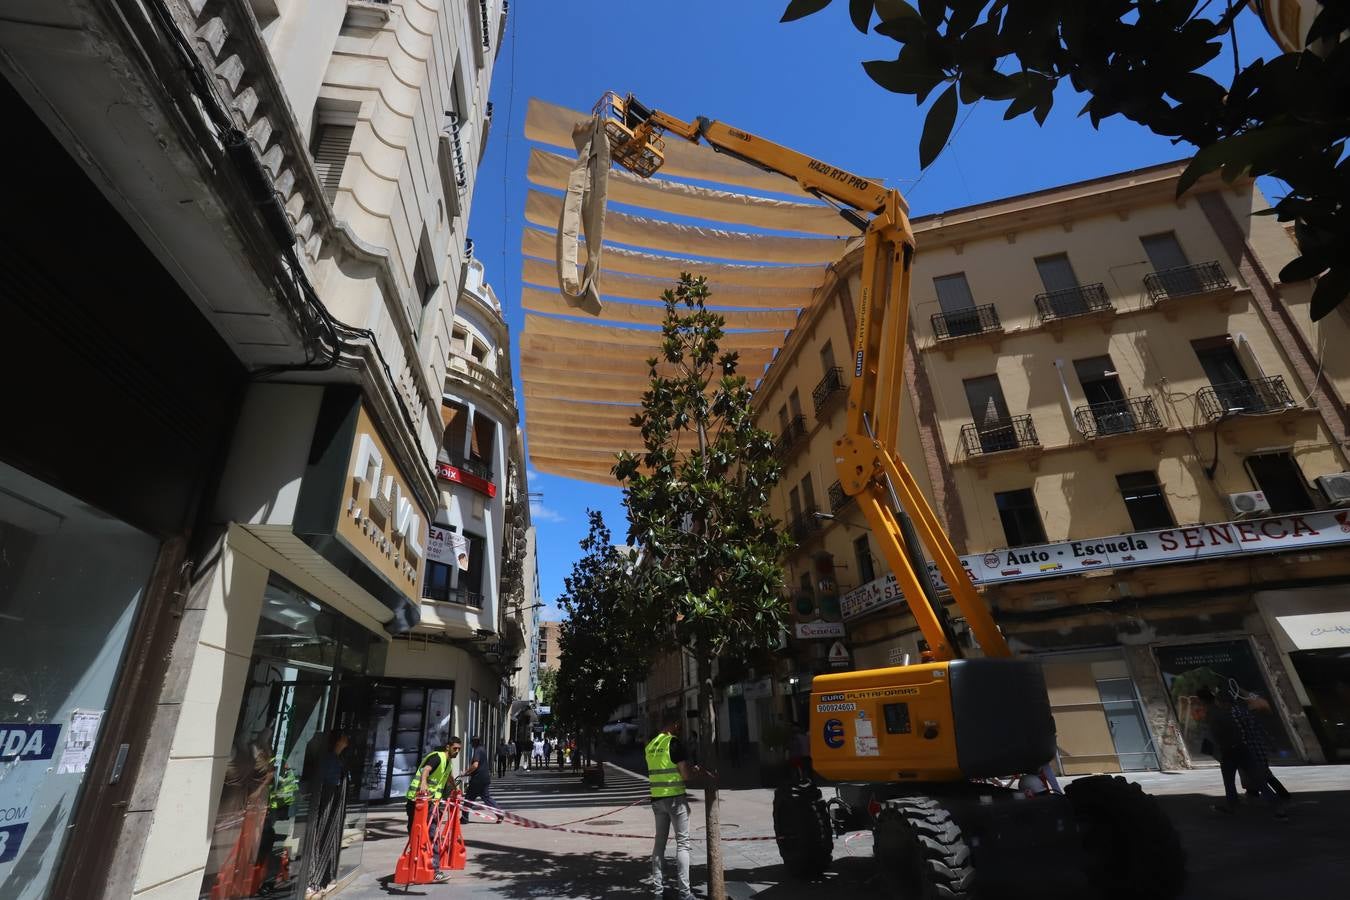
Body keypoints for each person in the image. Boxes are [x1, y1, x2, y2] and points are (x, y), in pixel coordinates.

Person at [646, 713, 714, 900]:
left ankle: (657, 892)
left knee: (659, 845)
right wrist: (696, 771)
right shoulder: (674, 743)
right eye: (679, 725)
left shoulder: (650, 746)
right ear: (674, 724)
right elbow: (685, 775)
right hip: (675, 799)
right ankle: (685, 894)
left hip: (656, 800)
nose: (680, 728)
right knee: (683, 844)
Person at [406, 735, 462, 884]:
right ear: (448, 747)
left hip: (429, 804)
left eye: (459, 749)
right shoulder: (437, 757)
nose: (457, 751)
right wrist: (423, 783)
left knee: (430, 834)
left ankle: (424, 867)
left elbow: (449, 777)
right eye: (455, 748)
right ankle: (428, 869)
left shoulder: (448, 763)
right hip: (417, 802)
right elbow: (426, 770)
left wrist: (455, 789)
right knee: (426, 835)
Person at [462, 736, 503, 824]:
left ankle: (464, 818)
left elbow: (475, 765)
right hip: (485, 778)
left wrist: (466, 772)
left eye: (471, 743)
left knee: (468, 798)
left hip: (477, 779)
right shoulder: (482, 749)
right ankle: (499, 813)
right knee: (486, 797)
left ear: (473, 743)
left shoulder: (477, 750)